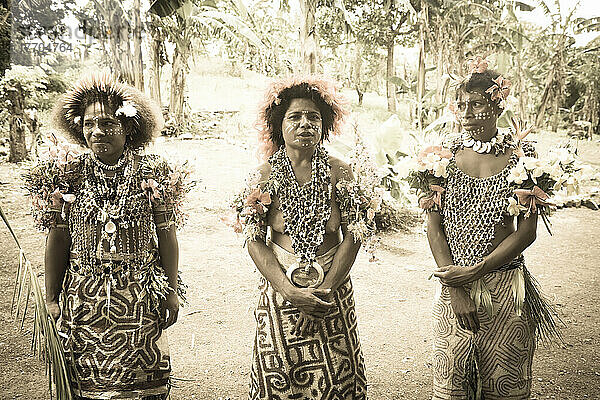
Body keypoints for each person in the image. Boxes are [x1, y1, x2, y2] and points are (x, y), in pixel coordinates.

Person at [24, 73, 189, 399]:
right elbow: (57, 239)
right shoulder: (65, 172)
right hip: (84, 299)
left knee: (142, 386)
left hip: (139, 296)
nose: (97, 132)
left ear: (128, 127)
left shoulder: (154, 171)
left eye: (108, 123)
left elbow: (167, 236)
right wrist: (52, 298)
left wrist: (171, 291)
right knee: (87, 387)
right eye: (88, 124)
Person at [421, 58, 561, 399]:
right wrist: (456, 286)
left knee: (504, 388)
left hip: (505, 289)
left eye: (477, 104)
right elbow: (433, 227)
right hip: (453, 284)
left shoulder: (524, 158)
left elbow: (527, 232)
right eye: (461, 105)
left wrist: (477, 270)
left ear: (497, 106)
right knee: (452, 389)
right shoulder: (442, 156)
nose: (466, 112)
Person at [232, 76, 375, 400]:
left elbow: (354, 233)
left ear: (325, 124)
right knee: (281, 375)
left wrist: (326, 288)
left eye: (313, 117)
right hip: (280, 290)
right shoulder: (263, 174)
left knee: (338, 379)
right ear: (278, 124)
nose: (305, 124)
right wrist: (288, 290)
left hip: (332, 289)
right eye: (294, 117)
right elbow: (254, 239)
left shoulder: (341, 171)